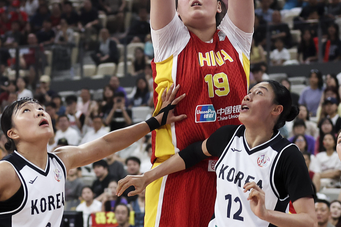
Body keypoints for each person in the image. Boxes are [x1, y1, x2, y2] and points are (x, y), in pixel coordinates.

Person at [139, 0, 256, 227]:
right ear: (174, 9)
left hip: (234, 175)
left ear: (219, 5)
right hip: (177, 176)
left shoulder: (236, 37)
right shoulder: (171, 40)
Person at [0, 85, 186, 227]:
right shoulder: (5, 172)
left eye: (40, 108)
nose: (39, 111)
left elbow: (107, 143)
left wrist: (154, 122)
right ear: (13, 133)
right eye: (26, 111)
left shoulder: (60, 160)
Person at [116, 80, 316, 227]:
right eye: (250, 92)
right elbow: (191, 154)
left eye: (259, 94)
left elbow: (309, 221)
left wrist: (265, 214)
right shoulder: (228, 136)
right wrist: (147, 177)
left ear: (276, 109)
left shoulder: (288, 155)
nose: (247, 96)